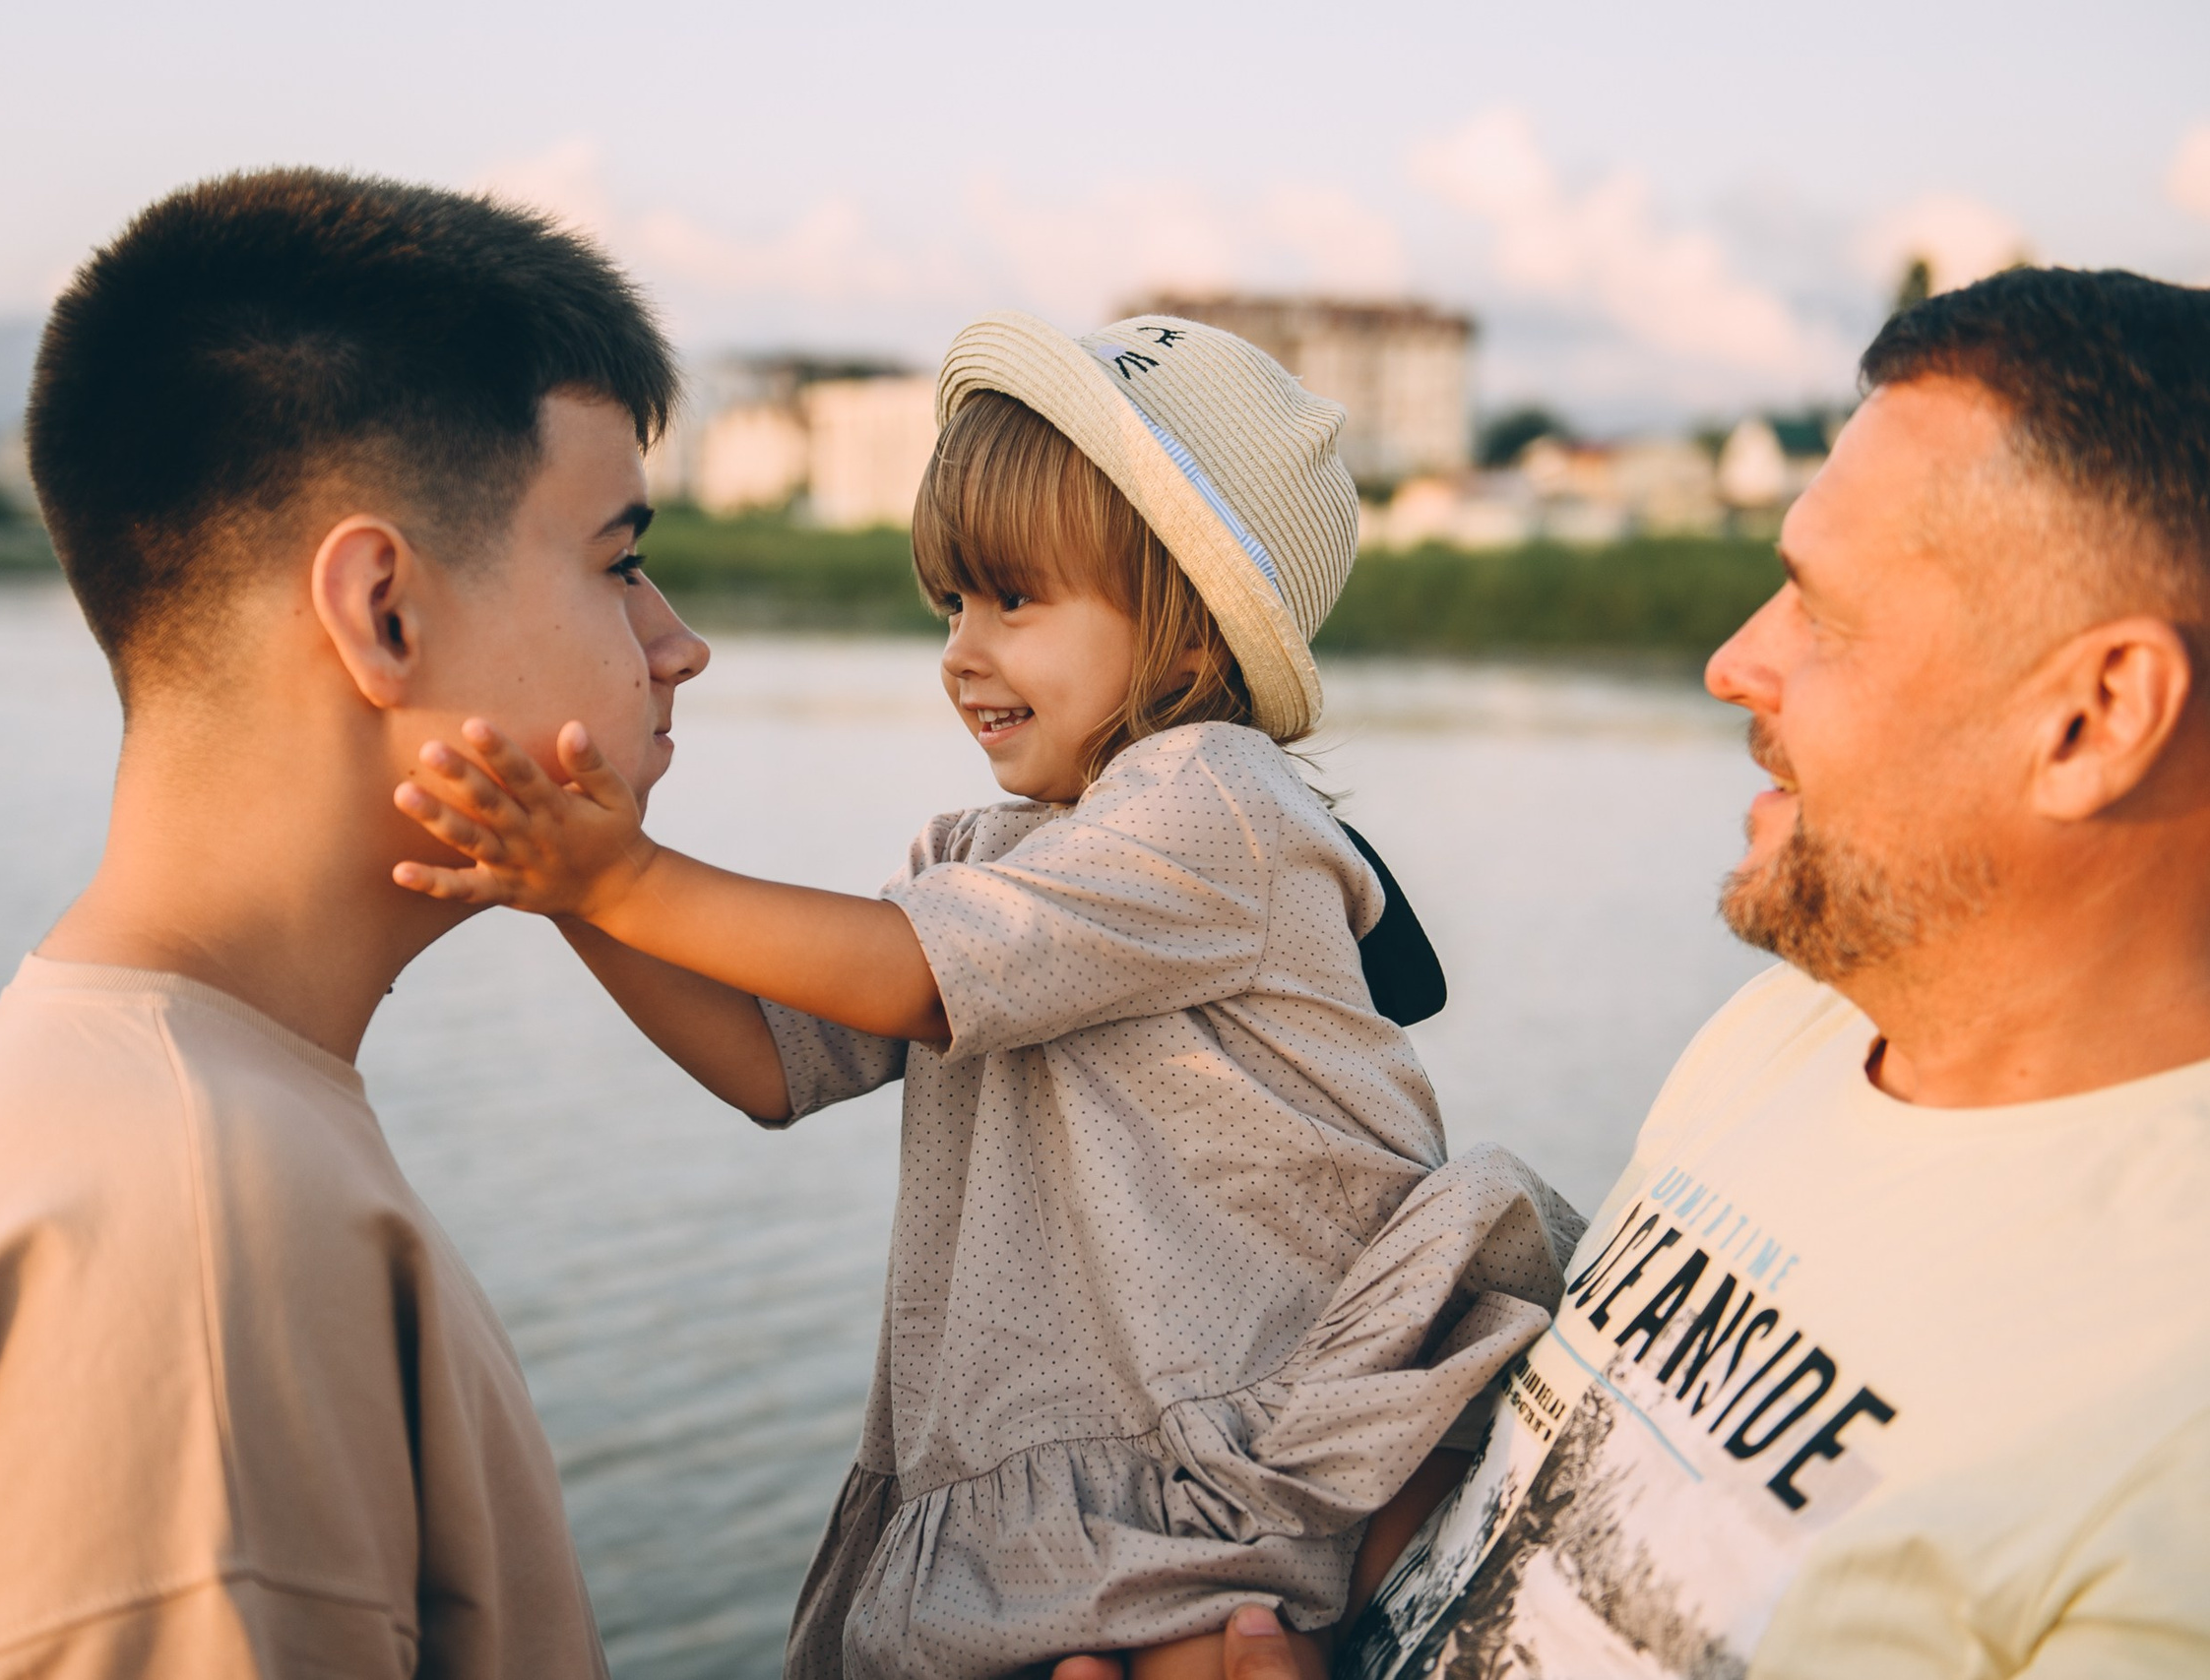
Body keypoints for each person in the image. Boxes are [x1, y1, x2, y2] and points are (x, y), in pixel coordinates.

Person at [388, 311, 1582, 1680]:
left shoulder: (1214, 805)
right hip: (1080, 1471)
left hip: (1247, 1457)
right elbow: (770, 1062)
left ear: (1186, 611)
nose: (961, 652)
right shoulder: (990, 856)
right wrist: (571, 894)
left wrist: (621, 877)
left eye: (1015, 600)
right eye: (952, 602)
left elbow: (908, 974)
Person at [0, 168, 710, 1676]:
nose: (677, 643)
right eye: (620, 561)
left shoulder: (162, 1119)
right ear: (382, 610)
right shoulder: (195, 1232)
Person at [1330, 268, 2210, 1678]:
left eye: (1821, 607)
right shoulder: (1782, 1038)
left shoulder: (2170, 1430)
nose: (1732, 660)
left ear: (2095, 717)